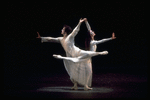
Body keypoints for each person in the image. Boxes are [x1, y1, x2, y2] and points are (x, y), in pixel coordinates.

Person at [37, 18, 108, 90]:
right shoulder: (61, 39)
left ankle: (99, 53)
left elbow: (75, 31)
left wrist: (79, 23)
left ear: (65, 31)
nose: (61, 30)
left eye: (63, 29)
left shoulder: (70, 37)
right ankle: (75, 85)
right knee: (72, 71)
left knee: (87, 54)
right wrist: (42, 38)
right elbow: (51, 39)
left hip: (77, 52)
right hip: (70, 56)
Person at [53, 18, 116, 90]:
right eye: (91, 32)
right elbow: (100, 39)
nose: (92, 32)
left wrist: (86, 22)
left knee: (81, 71)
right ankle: (83, 86)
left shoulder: (92, 40)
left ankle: (79, 85)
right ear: (90, 34)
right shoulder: (92, 42)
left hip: (87, 57)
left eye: (92, 31)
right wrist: (110, 38)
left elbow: (89, 29)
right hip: (86, 58)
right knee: (87, 72)